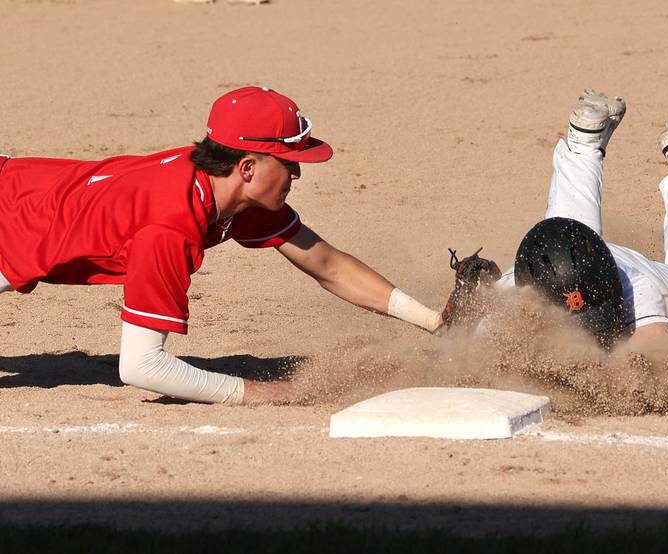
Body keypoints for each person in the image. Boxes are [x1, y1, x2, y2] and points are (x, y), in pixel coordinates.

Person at [0, 86, 443, 405]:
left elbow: (328, 265)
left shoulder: (233, 192)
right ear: (247, 167)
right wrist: (258, 392)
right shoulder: (169, 227)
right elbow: (141, 368)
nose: (299, 175)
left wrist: (433, 321)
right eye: (290, 164)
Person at [443, 89, 668, 346]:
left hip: (617, 270)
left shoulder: (636, 291)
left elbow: (653, 357)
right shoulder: (509, 307)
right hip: (573, 259)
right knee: (557, 238)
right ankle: (584, 143)